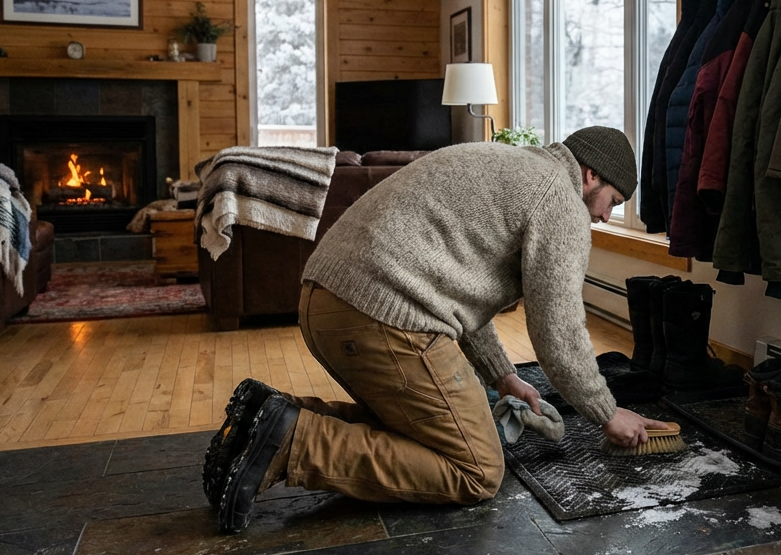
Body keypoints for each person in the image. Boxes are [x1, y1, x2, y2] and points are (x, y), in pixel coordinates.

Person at [203, 126, 668, 533]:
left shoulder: (508, 163)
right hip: (381, 316)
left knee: (425, 432)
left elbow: (454, 289)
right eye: (613, 202)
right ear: (590, 175)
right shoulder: (561, 201)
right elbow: (558, 331)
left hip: (324, 302)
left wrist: (503, 376)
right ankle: (289, 443)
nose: (606, 216)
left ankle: (264, 418)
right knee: (477, 468)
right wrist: (607, 413)